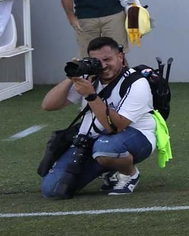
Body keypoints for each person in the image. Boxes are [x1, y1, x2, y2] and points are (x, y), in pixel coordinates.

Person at [38, 36, 159, 198]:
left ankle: (129, 173)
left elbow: (116, 126)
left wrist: (91, 95)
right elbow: (48, 105)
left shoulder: (135, 82)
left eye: (107, 59)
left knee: (106, 148)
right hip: (92, 140)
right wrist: (72, 77)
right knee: (52, 190)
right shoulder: (90, 79)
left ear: (120, 57)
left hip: (135, 136)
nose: (103, 65)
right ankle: (108, 167)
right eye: (96, 61)